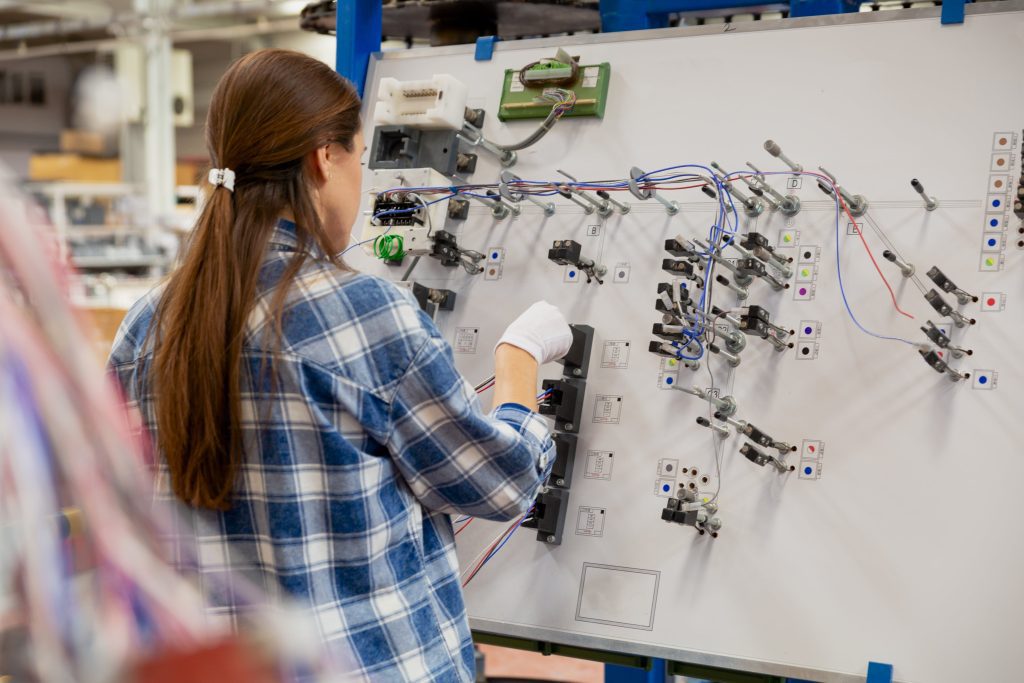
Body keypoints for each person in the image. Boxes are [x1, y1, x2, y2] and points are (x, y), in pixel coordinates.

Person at [108, 49, 571, 682]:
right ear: (325, 157)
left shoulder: (145, 328)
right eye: (359, 160)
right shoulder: (364, 314)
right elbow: (503, 484)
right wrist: (519, 361)